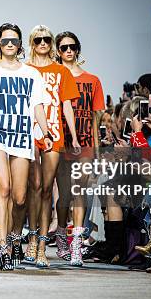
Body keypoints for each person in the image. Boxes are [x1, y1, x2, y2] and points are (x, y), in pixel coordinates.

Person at [0, 22, 53, 270]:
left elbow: (37, 107)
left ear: (20, 44)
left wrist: (45, 131)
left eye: (14, 40)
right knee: (4, 188)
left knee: (20, 198)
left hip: (21, 137)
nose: (10, 44)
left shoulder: (32, 74)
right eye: (5, 40)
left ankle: (13, 237)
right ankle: (3, 246)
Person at [26, 25, 81, 267]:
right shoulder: (24, 69)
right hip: (27, 133)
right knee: (31, 188)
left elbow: (67, 105)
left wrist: (75, 137)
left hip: (55, 132)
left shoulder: (61, 71)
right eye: (38, 40)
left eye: (47, 39)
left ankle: (40, 244)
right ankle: (29, 238)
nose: (43, 44)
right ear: (31, 42)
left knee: (47, 189)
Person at [55, 31, 105, 266]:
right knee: (64, 194)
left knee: (79, 190)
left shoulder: (92, 80)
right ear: (58, 50)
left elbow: (96, 119)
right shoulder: (55, 78)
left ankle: (76, 245)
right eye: (63, 47)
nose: (68, 51)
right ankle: (62, 236)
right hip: (61, 140)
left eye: (72, 46)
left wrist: (96, 151)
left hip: (84, 141)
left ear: (78, 49)